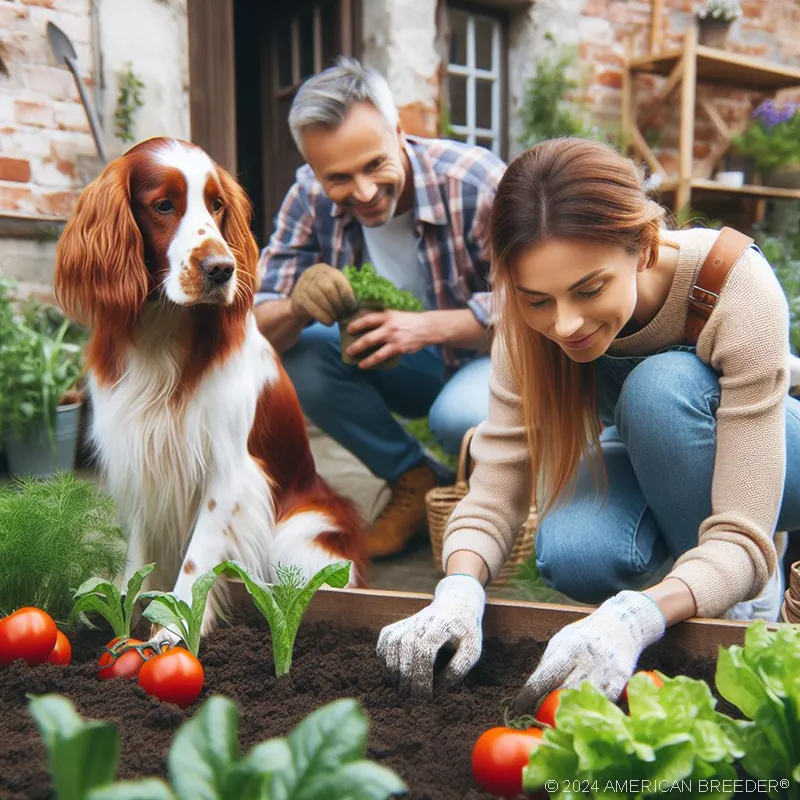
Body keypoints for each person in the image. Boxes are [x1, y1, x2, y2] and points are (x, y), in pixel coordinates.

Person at [376, 137, 800, 710]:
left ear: (645, 247)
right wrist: (458, 590)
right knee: (574, 550)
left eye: (589, 288)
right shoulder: (527, 323)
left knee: (658, 390)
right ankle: (697, 585)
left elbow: (740, 532)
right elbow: (494, 489)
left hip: (767, 460)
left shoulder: (734, 286)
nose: (565, 323)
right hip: (654, 448)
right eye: (537, 299)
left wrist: (639, 615)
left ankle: (742, 594)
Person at [255, 57, 506, 559]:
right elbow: (258, 331)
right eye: (339, 178)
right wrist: (297, 307)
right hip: (394, 362)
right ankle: (413, 479)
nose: (364, 193)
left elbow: (533, 306)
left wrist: (426, 327)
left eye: (374, 165)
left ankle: (501, 493)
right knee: (297, 355)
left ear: (397, 131)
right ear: (311, 166)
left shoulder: (475, 183)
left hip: (490, 358)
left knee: (458, 419)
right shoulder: (307, 198)